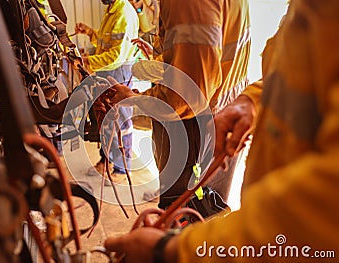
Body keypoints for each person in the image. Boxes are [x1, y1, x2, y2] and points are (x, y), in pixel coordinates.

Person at [104, 0, 339, 262]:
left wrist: (170, 251)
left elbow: (186, 95)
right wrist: (252, 99)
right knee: (205, 209)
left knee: (186, 214)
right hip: (221, 123)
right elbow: (298, 69)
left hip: (194, 132)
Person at [110, 0, 250, 208]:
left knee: (186, 218)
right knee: (208, 213)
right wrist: (164, 57)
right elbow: (205, 59)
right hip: (220, 115)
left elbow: (186, 96)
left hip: (196, 127)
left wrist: (132, 98)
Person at [74, 0, 139, 181]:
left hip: (118, 71)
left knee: (119, 121)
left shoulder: (123, 13)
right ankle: (107, 160)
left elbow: (116, 55)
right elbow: (106, 43)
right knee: (105, 119)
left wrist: (86, 62)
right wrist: (90, 33)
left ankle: (121, 168)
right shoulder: (113, 9)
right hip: (108, 71)